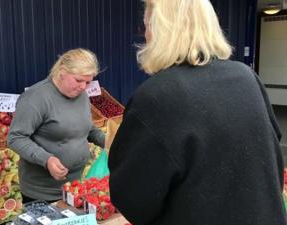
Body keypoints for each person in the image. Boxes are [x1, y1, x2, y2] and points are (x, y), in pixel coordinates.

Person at [108, 0, 287, 225]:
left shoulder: (157, 96)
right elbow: (272, 159)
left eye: (147, 26)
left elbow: (132, 199)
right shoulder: (247, 78)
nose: (145, 35)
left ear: (161, 31)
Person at [8, 48, 105, 203]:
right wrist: (47, 159)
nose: (83, 87)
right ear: (61, 72)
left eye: (88, 82)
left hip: (75, 185)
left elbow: (86, 127)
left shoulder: (81, 95)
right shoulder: (35, 98)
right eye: (78, 80)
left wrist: (108, 140)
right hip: (42, 192)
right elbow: (16, 138)